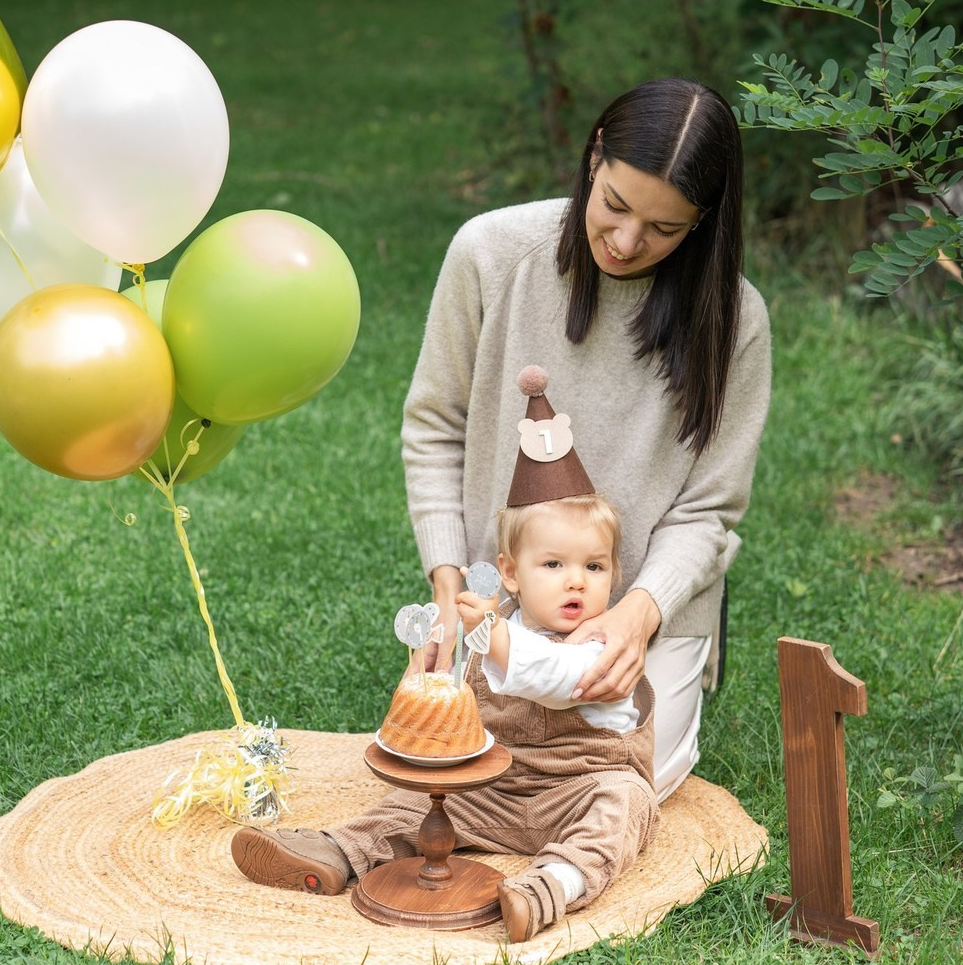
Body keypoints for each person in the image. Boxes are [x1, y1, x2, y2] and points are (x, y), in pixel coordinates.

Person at [405, 77, 772, 801]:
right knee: (449, 769)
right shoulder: (489, 253)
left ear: (703, 221)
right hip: (505, 600)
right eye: (616, 205)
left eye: (665, 228)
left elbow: (709, 508)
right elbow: (435, 429)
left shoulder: (736, 318)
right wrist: (450, 589)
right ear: (593, 157)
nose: (628, 243)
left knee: (628, 783)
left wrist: (639, 615)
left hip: (644, 603)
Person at [230, 377, 659, 943]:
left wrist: (491, 632)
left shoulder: (603, 644)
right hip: (493, 788)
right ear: (511, 574)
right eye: (554, 565)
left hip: (579, 789)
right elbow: (463, 701)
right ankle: (340, 851)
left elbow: (558, 679)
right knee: (416, 802)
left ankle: (550, 886)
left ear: (614, 574)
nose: (576, 581)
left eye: (595, 567)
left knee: (624, 809)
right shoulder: (499, 628)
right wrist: (432, 683)